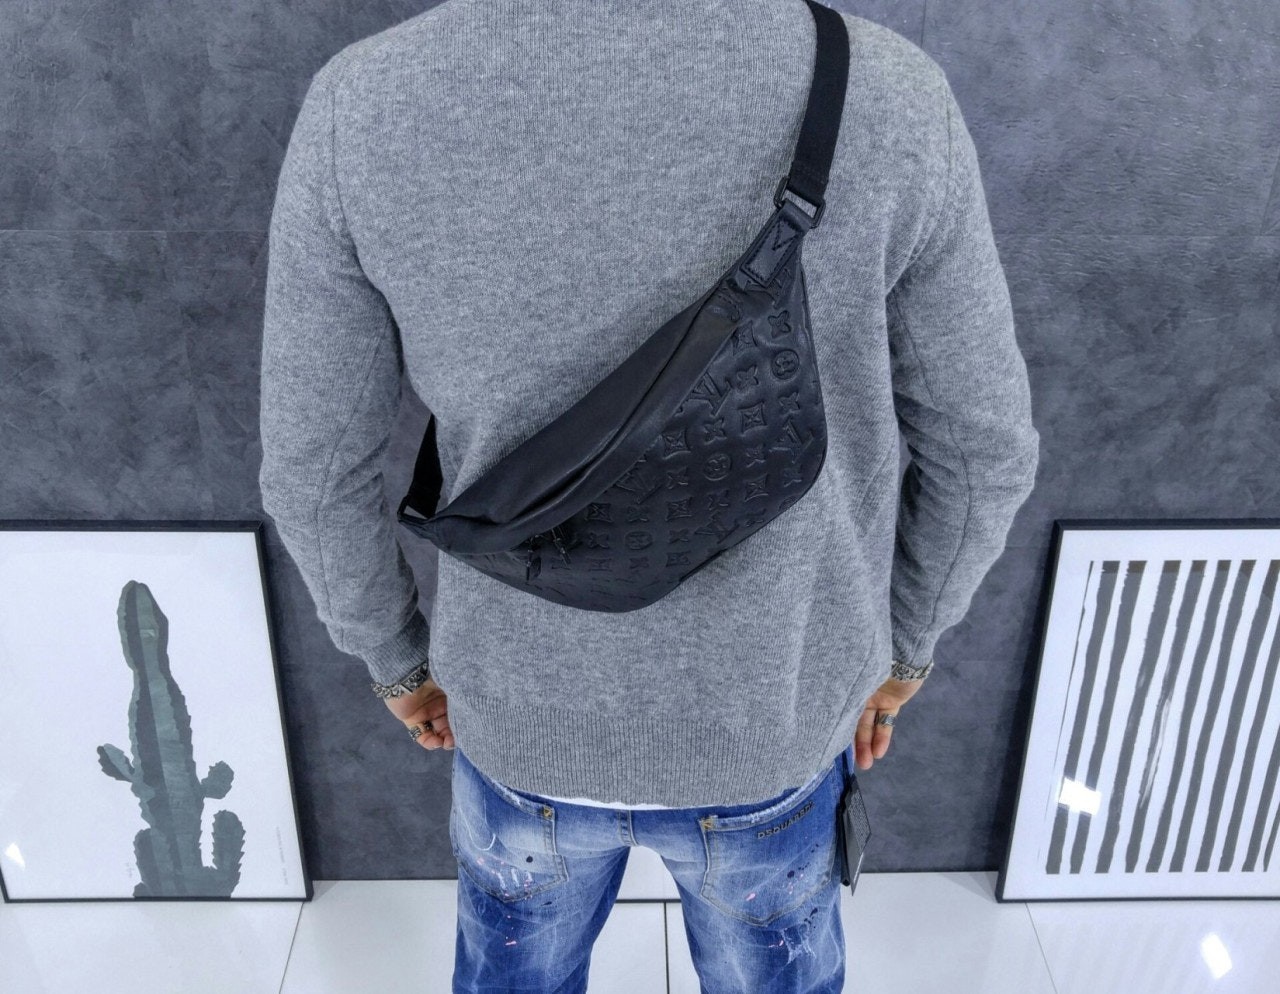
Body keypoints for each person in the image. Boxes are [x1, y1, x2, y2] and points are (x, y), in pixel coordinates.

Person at [258, 0, 1040, 990]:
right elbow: (981, 453)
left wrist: (396, 660)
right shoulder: (888, 94)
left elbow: (313, 475)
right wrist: (902, 651)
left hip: (517, 717)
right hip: (775, 716)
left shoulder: (361, 106)